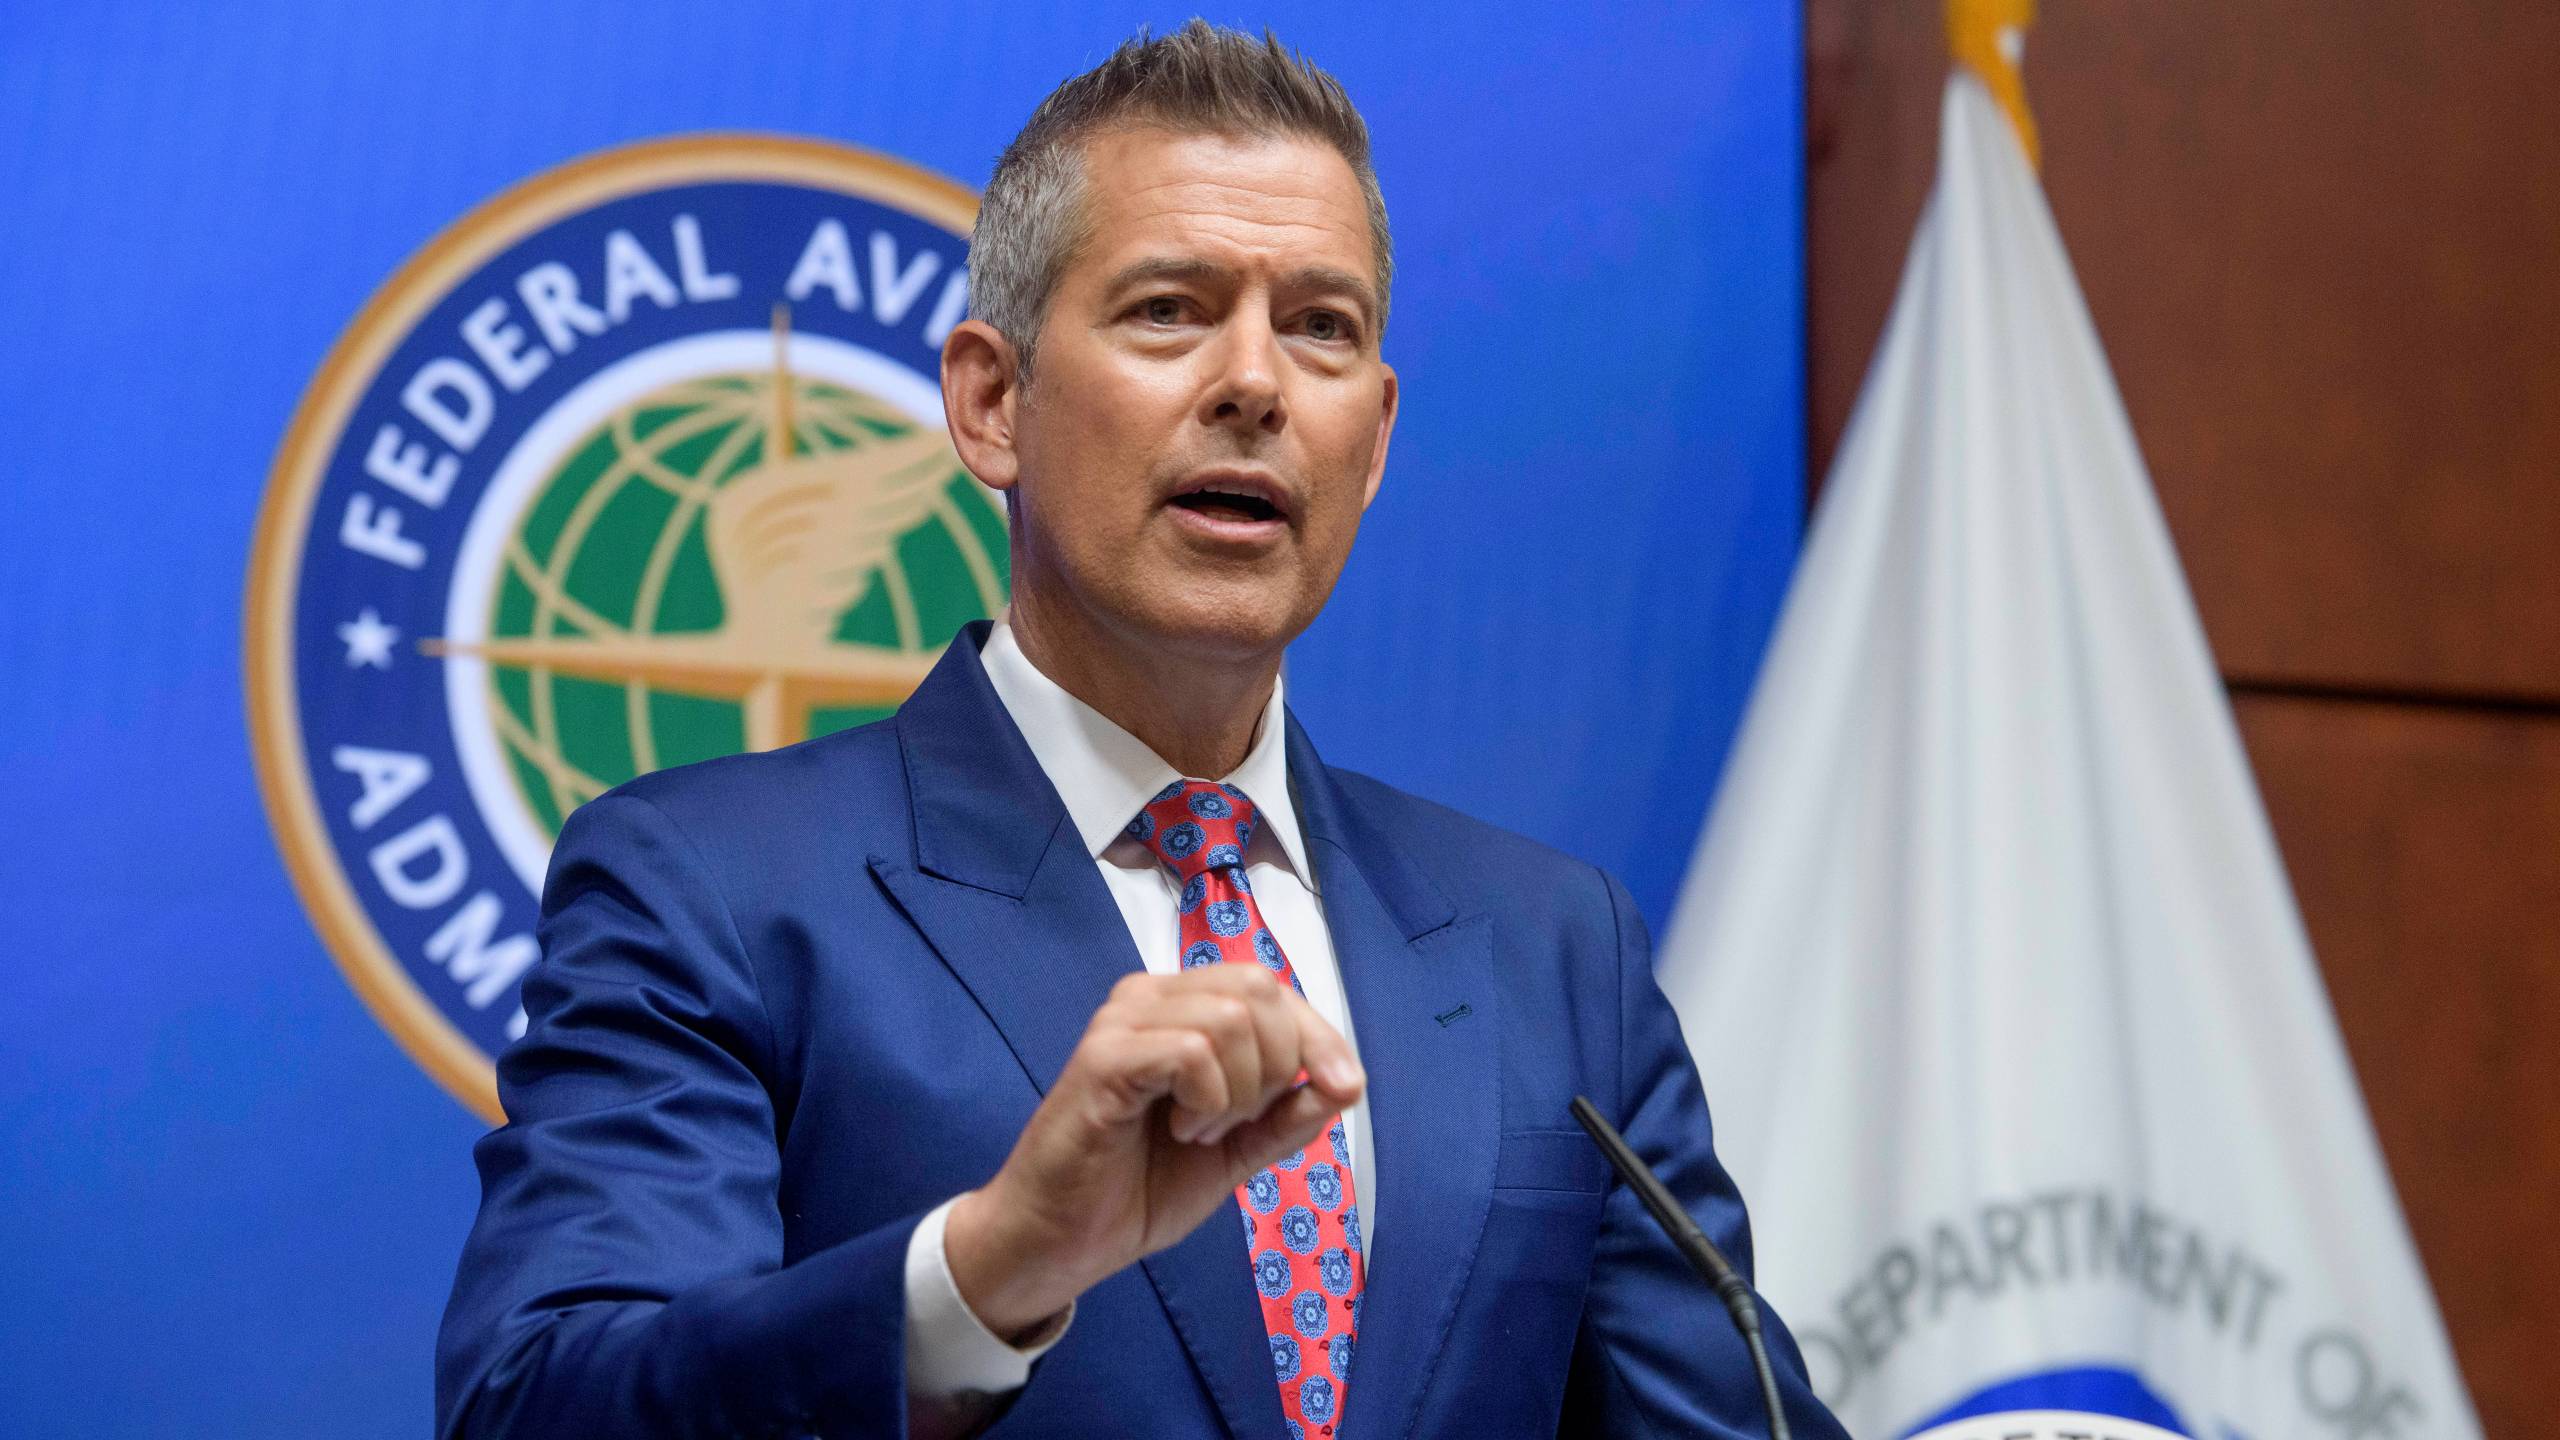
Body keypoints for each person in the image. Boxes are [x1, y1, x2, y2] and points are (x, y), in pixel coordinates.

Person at [436, 22, 1844, 1440]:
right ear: (993, 404)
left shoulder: (1552, 948)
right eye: (1171, 309)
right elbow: (535, 1410)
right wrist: (987, 1275)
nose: (1256, 384)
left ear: (1378, 440)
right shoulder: (714, 890)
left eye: (1323, 328)